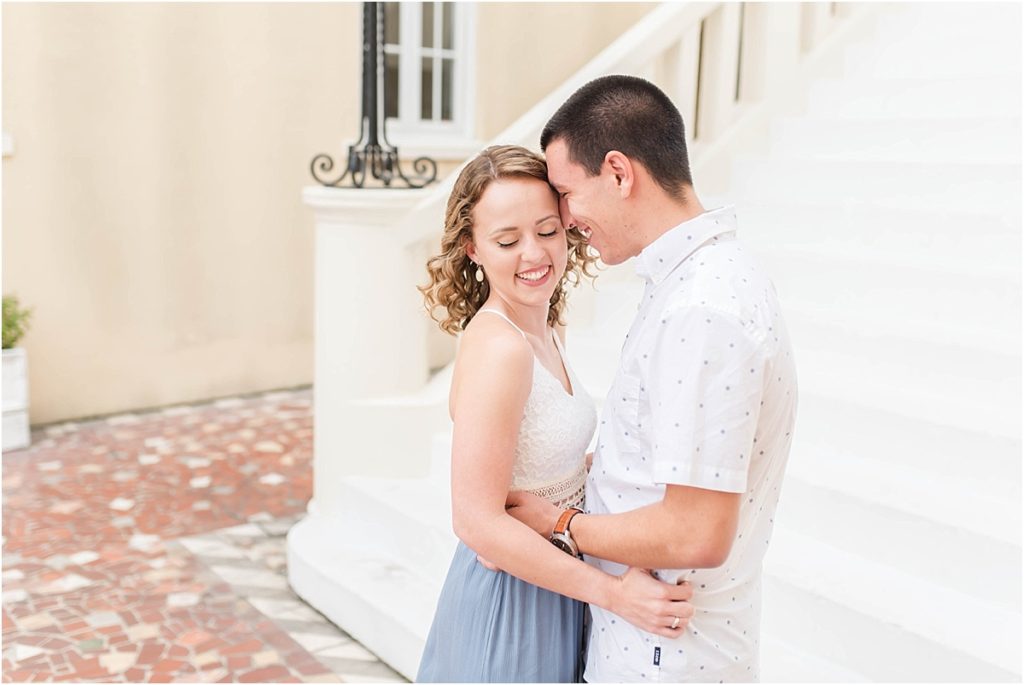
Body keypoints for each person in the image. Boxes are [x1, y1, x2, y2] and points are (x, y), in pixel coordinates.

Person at [505, 75, 798, 681]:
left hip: (665, 658)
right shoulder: (702, 279)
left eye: (566, 191)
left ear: (618, 172)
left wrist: (560, 525)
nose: (562, 216)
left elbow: (696, 532)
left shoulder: (703, 308)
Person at [415, 144, 695, 683]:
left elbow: (546, 461)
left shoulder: (546, 323)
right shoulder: (501, 348)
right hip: (514, 601)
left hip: (559, 581)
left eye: (546, 230)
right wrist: (616, 595)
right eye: (506, 240)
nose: (534, 254)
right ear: (472, 248)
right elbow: (475, 520)